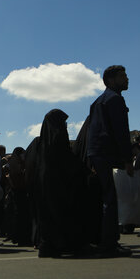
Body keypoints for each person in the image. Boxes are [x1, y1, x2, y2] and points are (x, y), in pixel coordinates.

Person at [25, 109, 88, 257]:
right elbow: (66, 159)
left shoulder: (41, 143)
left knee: (48, 215)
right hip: (58, 183)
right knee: (61, 212)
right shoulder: (58, 137)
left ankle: (48, 245)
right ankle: (63, 244)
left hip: (44, 183)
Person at [86, 65, 133, 257]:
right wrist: (128, 159)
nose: (127, 79)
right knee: (112, 198)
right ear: (111, 80)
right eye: (122, 76)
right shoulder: (115, 100)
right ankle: (109, 244)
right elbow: (121, 132)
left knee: (107, 197)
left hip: (97, 153)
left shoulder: (99, 101)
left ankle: (107, 241)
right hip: (107, 154)